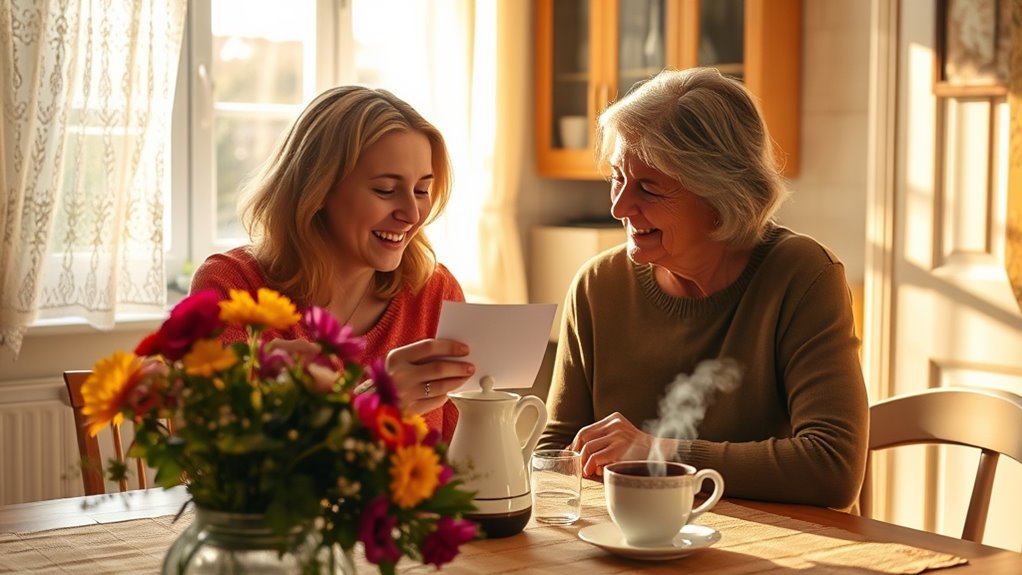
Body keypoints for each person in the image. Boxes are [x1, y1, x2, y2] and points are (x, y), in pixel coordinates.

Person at [537, 67, 868, 509]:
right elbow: (557, 455)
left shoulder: (802, 275)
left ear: (721, 197)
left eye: (648, 189)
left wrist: (660, 454)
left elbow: (831, 468)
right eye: (617, 178)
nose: (619, 207)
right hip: (634, 547)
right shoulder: (597, 286)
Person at [191, 86, 474, 443]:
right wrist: (370, 406)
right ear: (318, 189)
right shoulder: (232, 287)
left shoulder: (434, 292)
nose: (412, 214)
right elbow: (220, 458)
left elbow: (463, 463)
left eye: (421, 190)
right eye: (386, 190)